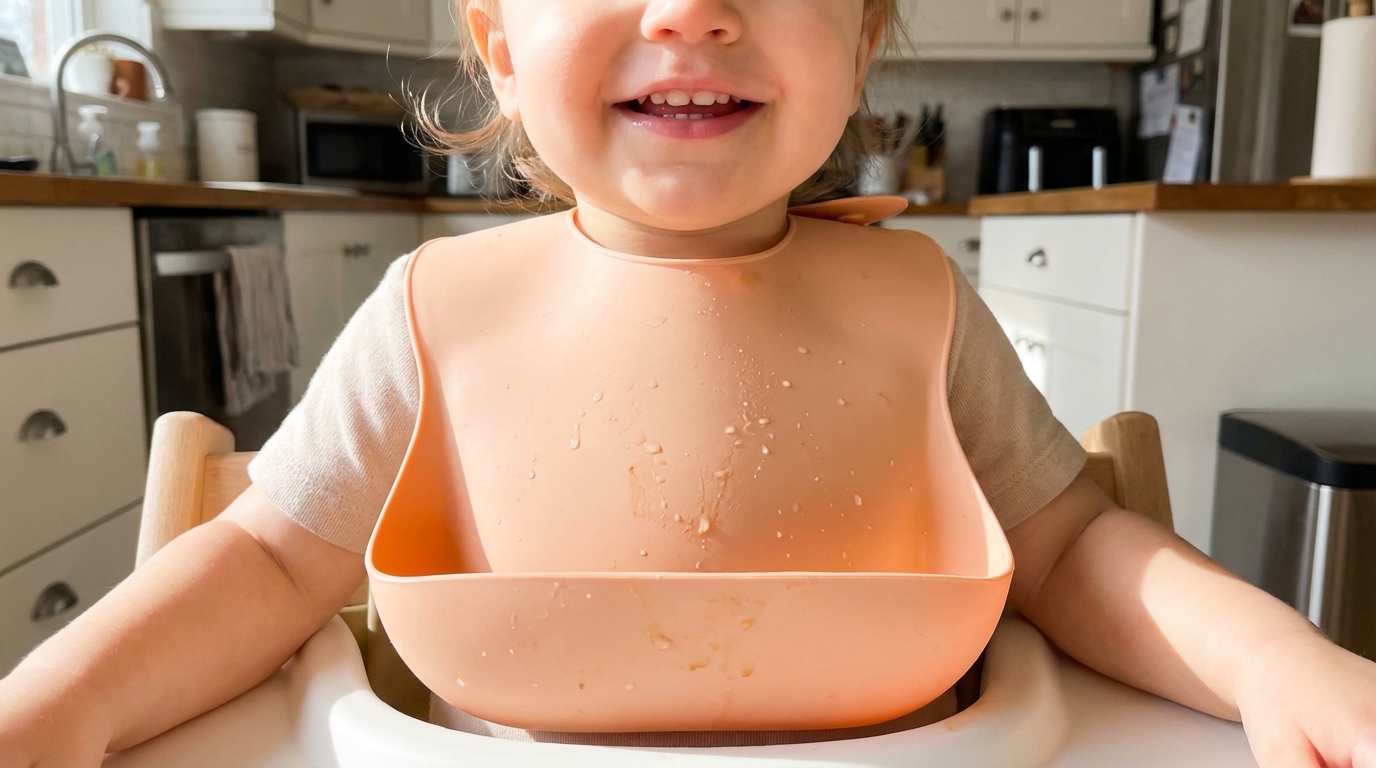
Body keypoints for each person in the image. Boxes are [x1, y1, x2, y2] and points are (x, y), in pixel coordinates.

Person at [3, 2, 1374, 765]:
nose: (695, 10)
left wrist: (1279, 660)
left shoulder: (922, 308)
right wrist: (50, 715)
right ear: (496, 39)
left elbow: (1072, 550)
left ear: (862, 31)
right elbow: (263, 562)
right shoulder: (436, 314)